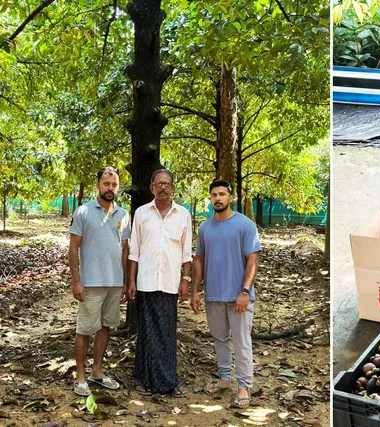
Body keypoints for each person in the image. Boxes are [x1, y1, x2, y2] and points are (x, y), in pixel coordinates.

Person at [190, 179, 261, 408]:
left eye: (222, 194)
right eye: (214, 195)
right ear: (210, 198)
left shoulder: (245, 225)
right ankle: (224, 379)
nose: (217, 198)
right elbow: (199, 259)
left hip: (239, 296)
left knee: (242, 342)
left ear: (231, 197)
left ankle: (243, 386)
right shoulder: (205, 228)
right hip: (213, 295)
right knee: (220, 339)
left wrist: (244, 291)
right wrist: (195, 291)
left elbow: (252, 259)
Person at [127, 169, 192, 397]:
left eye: (167, 184)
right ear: (151, 188)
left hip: (170, 283)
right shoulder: (141, 214)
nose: (163, 187)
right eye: (159, 184)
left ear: (173, 188)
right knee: (146, 332)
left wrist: (186, 280)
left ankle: (168, 380)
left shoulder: (183, 215)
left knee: (166, 333)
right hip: (145, 281)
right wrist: (131, 281)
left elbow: (186, 253)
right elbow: (134, 250)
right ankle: (143, 379)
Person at [69, 166, 130, 397]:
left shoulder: (123, 215)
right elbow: (73, 248)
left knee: (105, 326)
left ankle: (97, 372)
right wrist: (77, 281)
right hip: (91, 281)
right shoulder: (83, 212)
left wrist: (125, 281)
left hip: (114, 283)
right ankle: (81, 376)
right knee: (84, 329)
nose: (110, 188)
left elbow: (125, 250)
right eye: (106, 184)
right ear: (98, 185)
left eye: (114, 185)